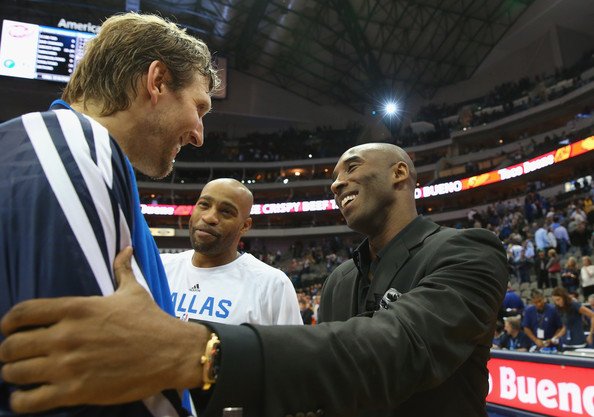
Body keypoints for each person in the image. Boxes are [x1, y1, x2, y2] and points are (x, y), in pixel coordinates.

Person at [0, 143, 509, 416]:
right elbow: (325, 386)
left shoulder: (467, 250)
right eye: (334, 178)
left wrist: (201, 351)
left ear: (400, 173)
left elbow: (397, 349)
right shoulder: (339, 280)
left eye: (351, 168)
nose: (337, 183)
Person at [0, 12, 218, 416]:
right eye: (199, 108)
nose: (199, 135)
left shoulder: (53, 149)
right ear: (157, 81)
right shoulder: (76, 144)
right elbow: (89, 379)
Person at [162, 178, 302, 325]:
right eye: (204, 205)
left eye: (226, 211)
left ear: (245, 226)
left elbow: (291, 341)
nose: (209, 217)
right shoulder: (159, 268)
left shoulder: (273, 285)